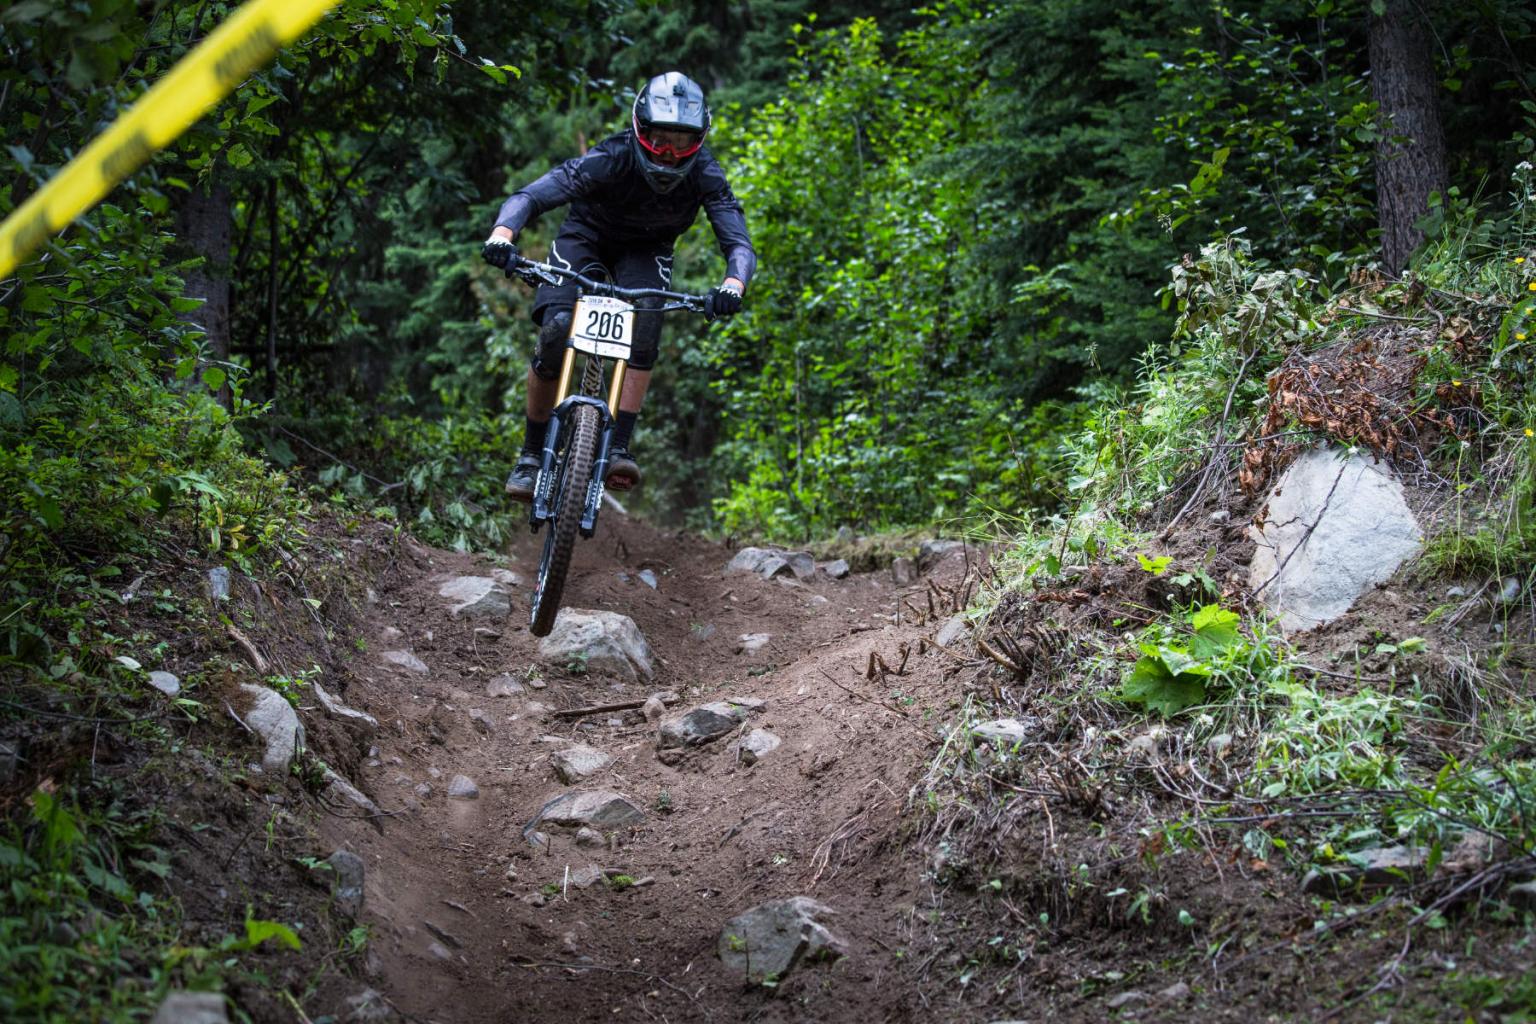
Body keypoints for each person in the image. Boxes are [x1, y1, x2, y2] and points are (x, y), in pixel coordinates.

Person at [481, 71, 756, 500]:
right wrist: (503, 235)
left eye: (681, 142)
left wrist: (732, 285)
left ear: (699, 139)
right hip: (586, 238)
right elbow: (531, 196)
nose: (668, 153)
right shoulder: (611, 156)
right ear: (641, 129)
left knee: (645, 321)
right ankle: (531, 454)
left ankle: (619, 446)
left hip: (646, 251)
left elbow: (737, 242)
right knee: (555, 331)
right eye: (662, 138)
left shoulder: (705, 173)